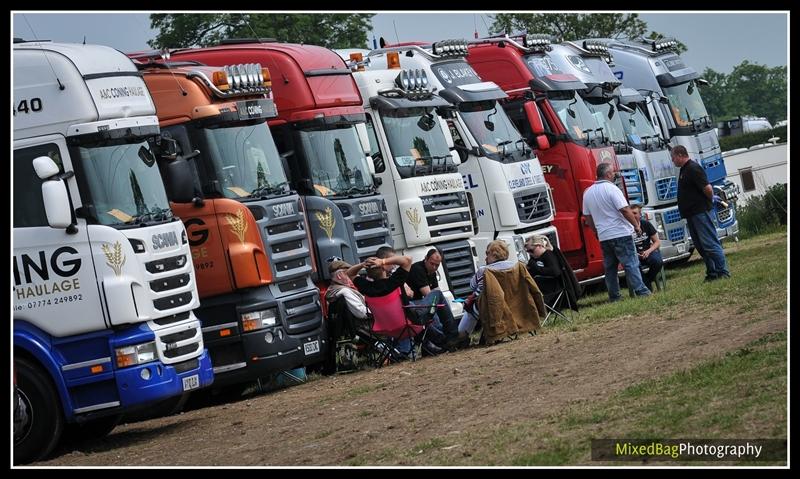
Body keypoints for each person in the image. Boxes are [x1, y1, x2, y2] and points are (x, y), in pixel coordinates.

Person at [353, 247, 445, 356]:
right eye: (392, 260)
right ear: (383, 266)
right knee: (434, 298)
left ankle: (430, 344)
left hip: (383, 327)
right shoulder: (394, 281)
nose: (394, 264)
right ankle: (445, 338)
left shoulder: (365, 286)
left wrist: (363, 264)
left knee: (412, 308)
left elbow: (348, 274)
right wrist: (382, 261)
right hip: (405, 323)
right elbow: (408, 260)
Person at [582, 162, 651, 301]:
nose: (614, 174)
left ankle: (614, 296)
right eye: (612, 172)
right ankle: (641, 290)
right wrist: (636, 226)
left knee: (610, 268)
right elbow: (625, 209)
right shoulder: (612, 189)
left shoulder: (588, 193)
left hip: (604, 235)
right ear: (607, 174)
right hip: (620, 233)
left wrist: (596, 231)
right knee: (630, 263)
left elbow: (588, 217)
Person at [671, 145, 731, 282]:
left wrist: (708, 201)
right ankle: (712, 273)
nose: (672, 160)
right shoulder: (684, 170)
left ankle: (723, 272)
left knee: (710, 243)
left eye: (673, 157)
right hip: (692, 214)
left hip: (700, 212)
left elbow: (707, 188)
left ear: (680, 155)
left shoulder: (693, 168)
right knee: (701, 246)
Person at [456, 240, 520, 340]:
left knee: (471, 307)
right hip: (513, 303)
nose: (486, 256)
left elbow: (472, 286)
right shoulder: (516, 267)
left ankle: (462, 336)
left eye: (487, 253)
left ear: (494, 255)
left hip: (491, 307)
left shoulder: (485, 270)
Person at [405, 249, 460, 348]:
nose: (434, 267)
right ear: (425, 259)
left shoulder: (432, 272)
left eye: (437, 265)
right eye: (432, 264)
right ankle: (450, 336)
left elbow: (438, 295)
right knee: (434, 306)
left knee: (440, 302)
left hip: (420, 303)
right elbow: (430, 295)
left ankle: (449, 337)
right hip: (413, 304)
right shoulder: (418, 269)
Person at [630, 204, 664, 292]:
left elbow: (657, 242)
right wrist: (636, 254)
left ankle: (647, 282)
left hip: (648, 251)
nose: (633, 215)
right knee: (635, 266)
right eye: (631, 213)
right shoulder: (626, 227)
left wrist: (648, 251)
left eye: (635, 213)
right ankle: (647, 288)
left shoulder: (646, 224)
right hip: (634, 254)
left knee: (657, 261)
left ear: (640, 214)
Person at [525, 235, 561, 304]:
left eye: (531, 250)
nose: (530, 253)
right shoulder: (535, 258)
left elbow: (555, 271)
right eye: (528, 251)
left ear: (539, 246)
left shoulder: (548, 255)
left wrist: (536, 268)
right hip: (542, 286)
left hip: (552, 287)